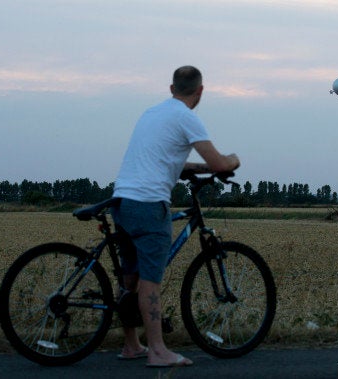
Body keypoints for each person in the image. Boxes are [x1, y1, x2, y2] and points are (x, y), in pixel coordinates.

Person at [111, 66, 240, 367]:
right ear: (200, 92)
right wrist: (234, 160)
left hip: (123, 200)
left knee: (129, 276)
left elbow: (174, 164)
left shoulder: (152, 113)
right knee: (149, 282)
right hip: (148, 205)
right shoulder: (187, 117)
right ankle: (157, 351)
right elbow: (220, 163)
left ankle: (132, 345)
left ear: (171, 89)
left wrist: (202, 169)